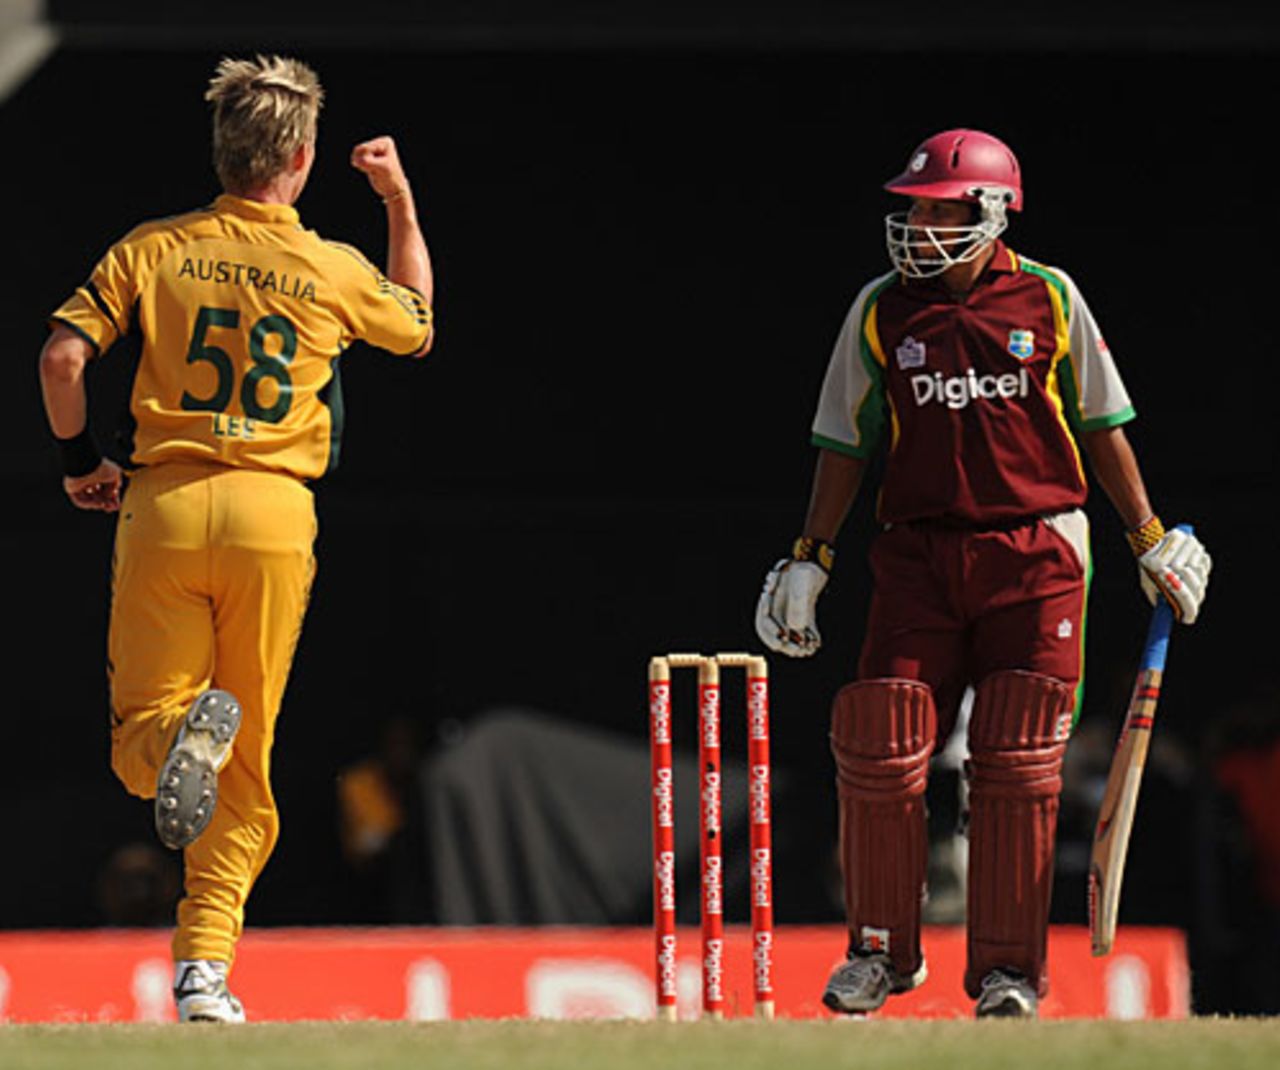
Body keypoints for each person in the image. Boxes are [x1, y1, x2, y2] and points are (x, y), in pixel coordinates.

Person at [754, 128, 1211, 1019]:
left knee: (1015, 764)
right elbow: (843, 443)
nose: (917, 224)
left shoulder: (1049, 296)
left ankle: (1008, 974)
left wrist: (1148, 537)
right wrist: (810, 558)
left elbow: (1101, 421)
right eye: (913, 208)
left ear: (993, 211)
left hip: (1035, 551)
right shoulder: (882, 310)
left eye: (938, 208)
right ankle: (882, 952)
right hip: (919, 553)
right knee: (882, 741)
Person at [37, 54, 435, 1023]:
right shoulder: (327, 264)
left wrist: (80, 459)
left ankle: (179, 740)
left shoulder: (155, 247)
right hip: (272, 513)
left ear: (223, 152)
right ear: (299, 160)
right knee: (246, 763)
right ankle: (203, 972)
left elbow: (61, 358)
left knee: (145, 747)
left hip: (166, 502)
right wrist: (398, 203)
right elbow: (417, 323)